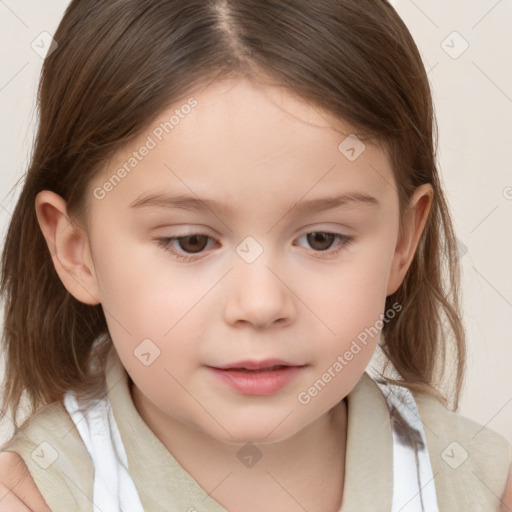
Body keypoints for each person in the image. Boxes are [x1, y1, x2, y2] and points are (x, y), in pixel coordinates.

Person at [0, 0, 511, 510]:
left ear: (403, 242)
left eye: (321, 239)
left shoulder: (479, 485)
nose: (261, 304)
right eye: (191, 241)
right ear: (77, 251)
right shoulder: (33, 494)